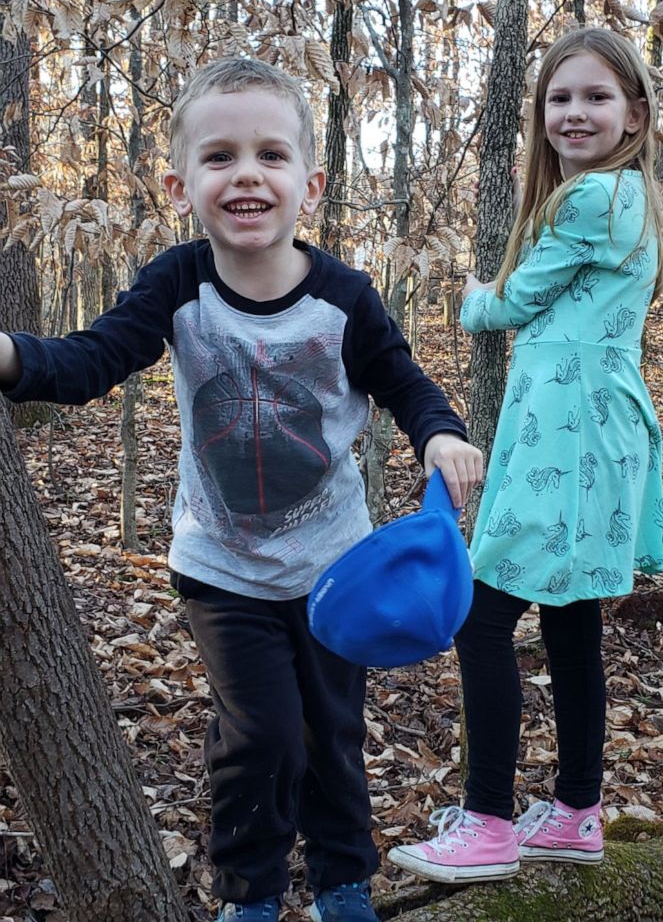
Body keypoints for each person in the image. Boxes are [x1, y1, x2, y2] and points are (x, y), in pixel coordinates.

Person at [0, 57, 483, 922]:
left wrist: (439, 431)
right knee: (256, 738)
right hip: (220, 566)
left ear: (310, 181)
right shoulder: (177, 286)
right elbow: (91, 360)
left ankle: (342, 886)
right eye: (219, 157)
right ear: (179, 183)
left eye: (271, 154)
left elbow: (405, 383)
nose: (247, 173)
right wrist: (11, 356)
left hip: (335, 568)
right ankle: (250, 895)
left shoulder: (343, 299)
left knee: (331, 741)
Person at [387, 26, 663, 884]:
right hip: (587, 424)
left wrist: (475, 296)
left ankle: (486, 823)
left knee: (481, 616)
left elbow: (507, 305)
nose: (574, 113)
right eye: (559, 98)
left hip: (569, 427)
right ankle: (577, 812)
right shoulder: (619, 200)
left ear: (634, 116)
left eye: (594, 97)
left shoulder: (592, 200)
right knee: (570, 617)